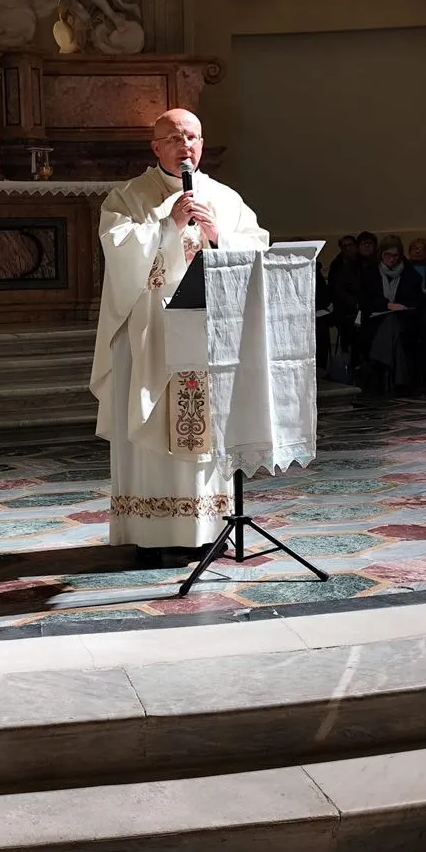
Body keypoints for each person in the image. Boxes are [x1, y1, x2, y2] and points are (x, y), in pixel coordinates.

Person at [91, 108, 269, 561]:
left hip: (210, 338)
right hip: (150, 339)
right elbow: (119, 256)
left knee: (208, 434)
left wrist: (218, 235)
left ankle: (211, 530)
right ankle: (153, 535)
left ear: (202, 143)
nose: (184, 145)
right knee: (152, 432)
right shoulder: (129, 197)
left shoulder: (224, 198)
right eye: (173, 137)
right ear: (156, 147)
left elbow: (256, 249)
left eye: (191, 136)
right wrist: (167, 227)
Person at [358, 234, 424, 393]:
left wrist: (398, 307)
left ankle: (378, 365)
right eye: (387, 255)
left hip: (404, 320)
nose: (391, 259)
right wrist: (388, 305)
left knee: (392, 322)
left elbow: (416, 301)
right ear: (381, 254)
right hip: (375, 320)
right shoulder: (371, 272)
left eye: (395, 256)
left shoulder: (410, 274)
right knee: (393, 332)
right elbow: (365, 300)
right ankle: (401, 382)